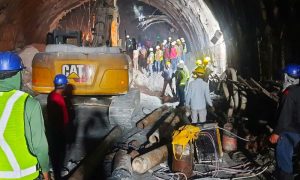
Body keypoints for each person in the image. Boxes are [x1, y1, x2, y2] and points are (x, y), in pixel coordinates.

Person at [0, 52, 50, 179]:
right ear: (19, 74)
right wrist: (46, 173)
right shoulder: (28, 104)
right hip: (24, 176)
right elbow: (40, 146)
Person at [269, 64, 300, 180]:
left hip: (289, 132)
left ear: (287, 77)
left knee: (284, 160)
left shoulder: (289, 93)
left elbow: (285, 115)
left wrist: (276, 133)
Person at [47, 74, 70, 180]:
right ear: (64, 86)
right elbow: (58, 119)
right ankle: (57, 175)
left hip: (55, 130)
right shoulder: (57, 99)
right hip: (58, 131)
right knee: (58, 154)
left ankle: (57, 172)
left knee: (57, 154)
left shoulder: (52, 95)